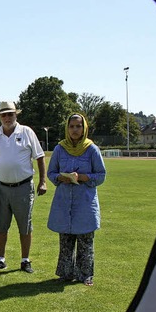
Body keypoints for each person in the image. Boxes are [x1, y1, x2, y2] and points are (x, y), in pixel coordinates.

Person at [0, 101, 47, 274]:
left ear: (16, 115)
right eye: (3, 114)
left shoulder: (26, 132)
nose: (7, 117)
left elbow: (40, 157)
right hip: (1, 188)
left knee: (25, 226)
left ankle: (25, 260)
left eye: (10, 114)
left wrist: (43, 181)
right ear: (0, 117)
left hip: (23, 187)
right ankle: (0, 259)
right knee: (0, 225)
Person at [47, 113, 106, 286]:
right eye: (71, 126)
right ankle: (65, 274)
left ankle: (85, 274)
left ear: (84, 128)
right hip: (64, 201)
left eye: (78, 126)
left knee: (85, 241)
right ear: (67, 128)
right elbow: (51, 173)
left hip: (85, 202)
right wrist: (61, 177)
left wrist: (82, 177)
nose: (74, 129)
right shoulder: (59, 149)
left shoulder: (91, 149)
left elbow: (101, 175)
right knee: (65, 240)